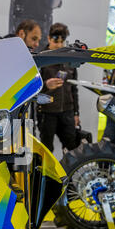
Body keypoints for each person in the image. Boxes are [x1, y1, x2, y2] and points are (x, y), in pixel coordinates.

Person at [37, 23, 79, 153]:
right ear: (49, 39)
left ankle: (70, 173)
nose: (59, 45)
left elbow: (74, 89)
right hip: (46, 112)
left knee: (72, 147)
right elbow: (31, 88)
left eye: (62, 41)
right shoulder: (40, 60)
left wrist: (76, 113)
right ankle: (46, 174)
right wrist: (46, 85)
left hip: (67, 112)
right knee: (46, 149)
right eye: (56, 41)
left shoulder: (70, 61)